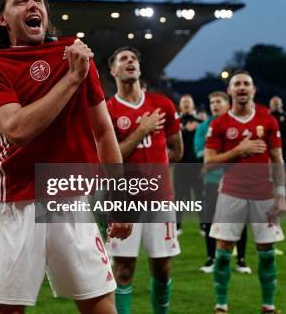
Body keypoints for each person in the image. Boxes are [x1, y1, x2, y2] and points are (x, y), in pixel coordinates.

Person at [0, 0, 131, 313]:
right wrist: (72, 78)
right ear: (2, 18)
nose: (33, 5)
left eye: (38, 0)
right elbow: (16, 128)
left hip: (71, 198)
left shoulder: (73, 53)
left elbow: (103, 132)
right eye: (21, 1)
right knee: (6, 310)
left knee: (101, 305)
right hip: (18, 201)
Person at [105, 46, 183, 314]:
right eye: (123, 59)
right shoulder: (107, 110)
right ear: (113, 70)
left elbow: (177, 149)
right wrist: (141, 131)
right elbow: (108, 159)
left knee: (162, 268)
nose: (130, 62)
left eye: (134, 58)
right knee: (124, 269)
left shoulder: (163, 105)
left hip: (160, 199)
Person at [205, 71, 285, 314]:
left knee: (268, 253)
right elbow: (209, 163)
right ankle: (221, 305)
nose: (241, 88)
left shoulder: (268, 120)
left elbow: (277, 159)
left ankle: (268, 306)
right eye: (236, 84)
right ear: (229, 91)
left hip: (265, 195)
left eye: (246, 84)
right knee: (222, 253)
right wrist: (240, 149)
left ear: (253, 90)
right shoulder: (219, 123)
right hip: (231, 193)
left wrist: (281, 193)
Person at [193, 91, 249, 274]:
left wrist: (220, 155)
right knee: (210, 220)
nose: (214, 105)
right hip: (212, 181)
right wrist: (232, 153)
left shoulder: (237, 124)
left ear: (227, 104)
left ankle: (241, 259)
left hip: (236, 181)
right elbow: (201, 153)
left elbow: (245, 152)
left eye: (218, 102)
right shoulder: (203, 127)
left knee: (239, 221)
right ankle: (211, 258)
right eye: (212, 102)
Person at [173, 94, 203, 233]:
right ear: (180, 106)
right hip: (180, 166)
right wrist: (185, 130)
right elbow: (171, 140)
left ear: (193, 105)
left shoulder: (201, 122)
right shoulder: (175, 122)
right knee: (178, 198)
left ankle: (203, 226)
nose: (185, 104)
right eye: (183, 102)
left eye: (188, 102)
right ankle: (177, 226)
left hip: (197, 166)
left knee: (200, 197)